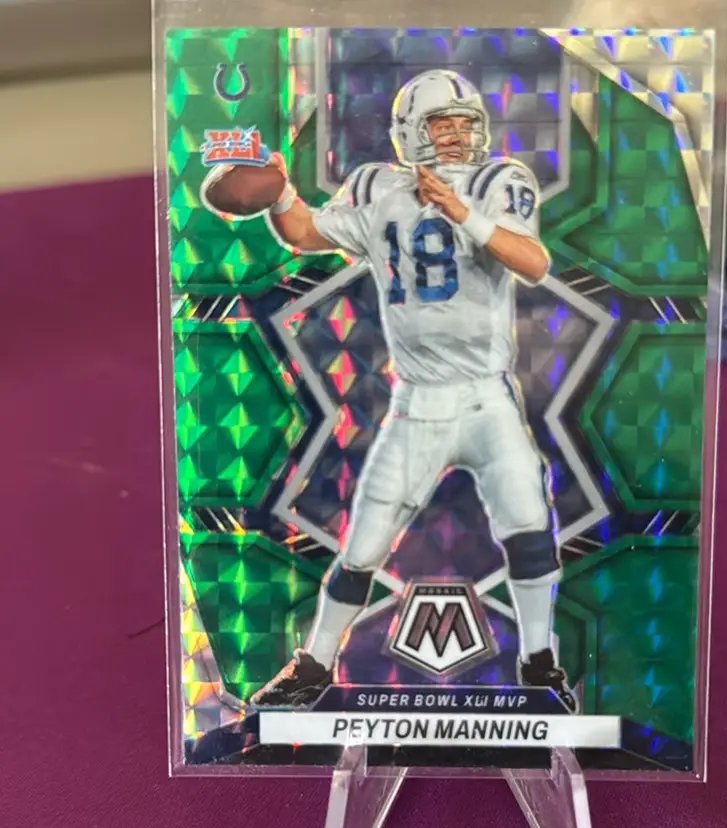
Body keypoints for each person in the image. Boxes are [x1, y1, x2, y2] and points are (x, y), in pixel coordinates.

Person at [203, 68, 577, 714]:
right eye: (441, 124)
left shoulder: (496, 181)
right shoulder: (379, 188)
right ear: (409, 133)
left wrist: (461, 212)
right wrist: (280, 192)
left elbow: (534, 263)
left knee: (527, 521)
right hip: (418, 401)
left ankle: (540, 662)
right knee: (364, 546)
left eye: (465, 123)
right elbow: (306, 234)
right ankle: (315, 665)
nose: (457, 135)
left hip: (487, 397)